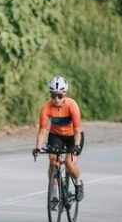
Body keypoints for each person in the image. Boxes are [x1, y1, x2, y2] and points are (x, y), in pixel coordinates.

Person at [32, 76, 85, 207]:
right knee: (53, 164)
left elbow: (78, 130)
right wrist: (37, 148)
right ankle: (54, 195)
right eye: (53, 95)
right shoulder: (46, 107)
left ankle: (78, 183)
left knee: (69, 163)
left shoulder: (72, 105)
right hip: (56, 136)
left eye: (60, 95)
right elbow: (42, 131)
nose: (56, 98)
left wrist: (76, 146)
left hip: (73, 136)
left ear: (65, 94)